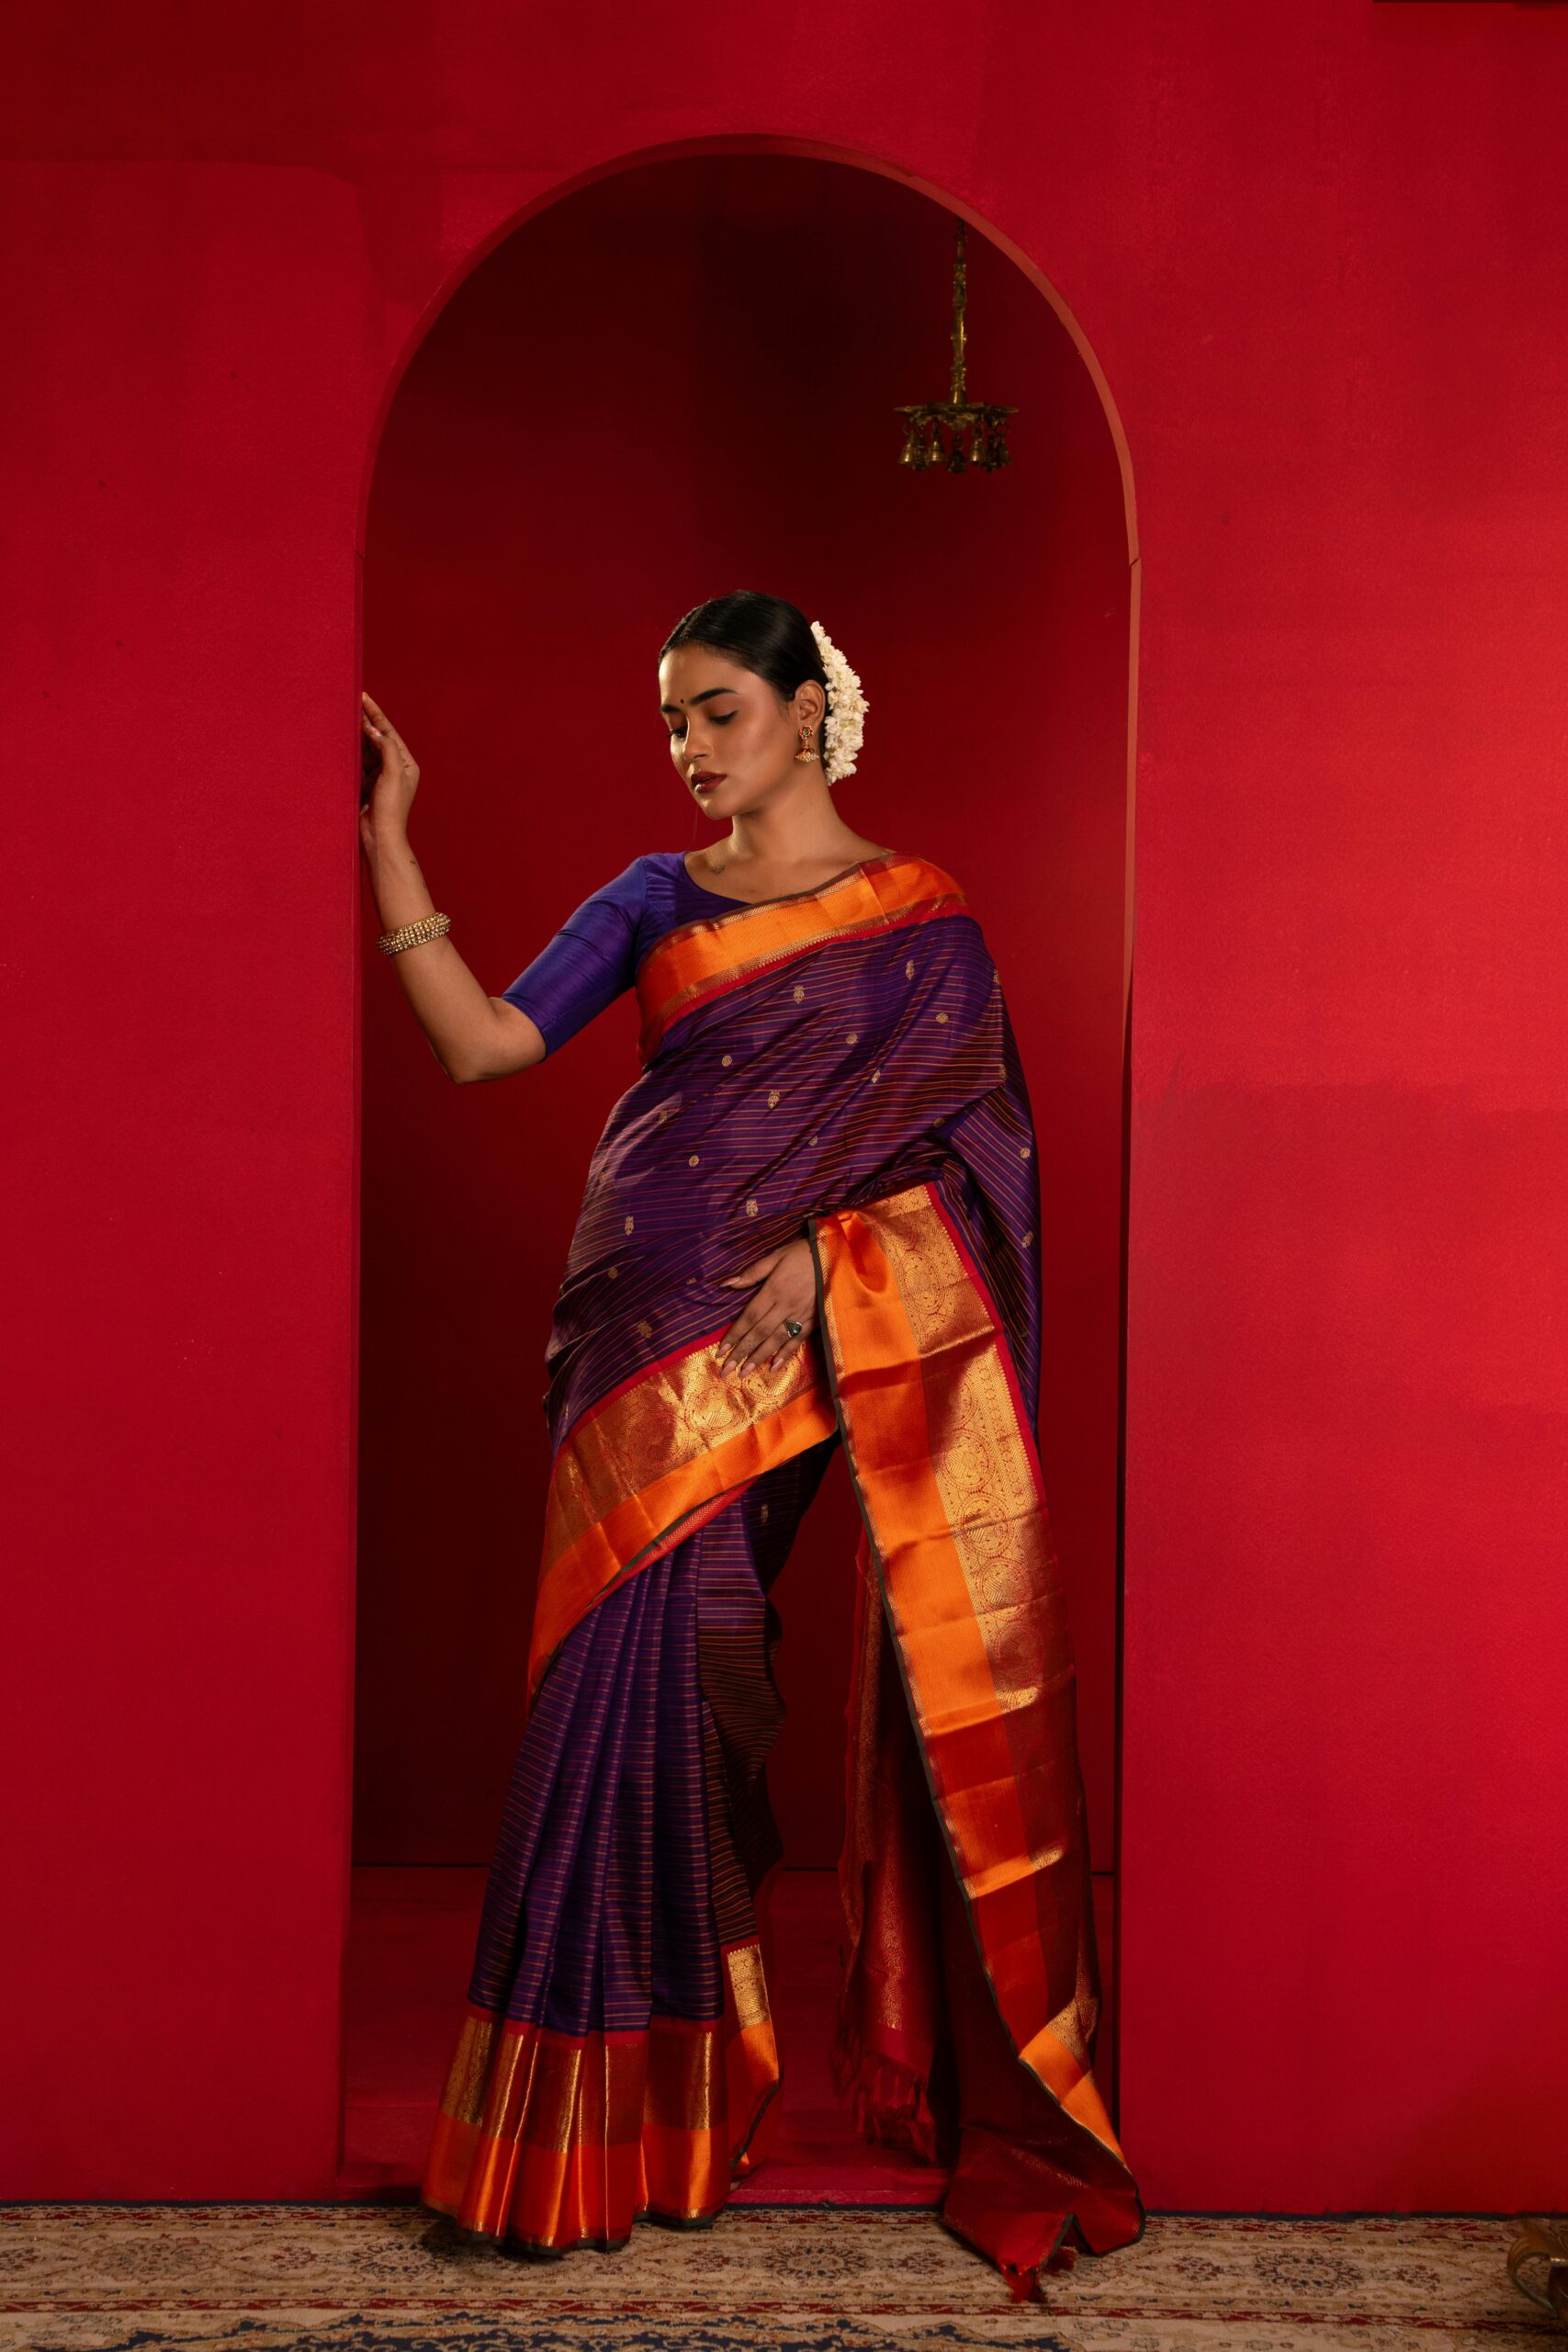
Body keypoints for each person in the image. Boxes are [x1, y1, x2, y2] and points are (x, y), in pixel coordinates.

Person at [357, 590, 1144, 2300]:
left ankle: (676, 2099)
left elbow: (978, 1167)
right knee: (603, 1701)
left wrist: (827, 1256)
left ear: (808, 708)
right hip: (632, 1332)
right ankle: (589, 2135)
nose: (693, 750)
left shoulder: (926, 922)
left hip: (791, 1342)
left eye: (717, 712)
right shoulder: (650, 899)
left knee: (709, 1686)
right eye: (673, 725)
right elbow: (487, 1047)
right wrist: (390, 843)